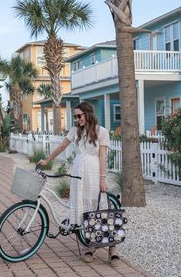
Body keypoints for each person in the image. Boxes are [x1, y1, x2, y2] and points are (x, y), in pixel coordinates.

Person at [38, 101, 120, 267]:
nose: (77, 119)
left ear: (88, 114)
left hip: (94, 173)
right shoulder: (75, 131)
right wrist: (48, 160)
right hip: (78, 174)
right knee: (84, 210)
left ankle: (113, 248)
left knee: (99, 208)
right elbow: (62, 146)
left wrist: (103, 178)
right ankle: (91, 245)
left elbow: (102, 156)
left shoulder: (102, 132)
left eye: (79, 116)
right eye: (75, 116)